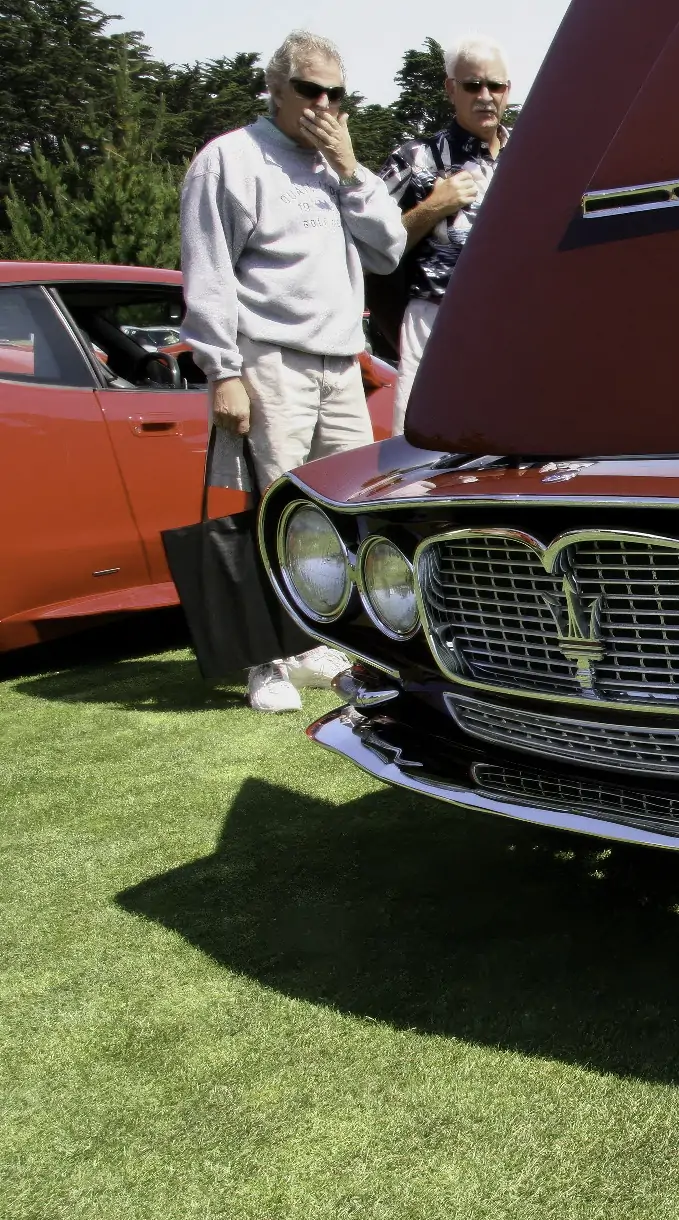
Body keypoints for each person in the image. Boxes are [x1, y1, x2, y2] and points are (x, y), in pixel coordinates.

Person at [179, 30, 408, 712]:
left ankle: (317, 645)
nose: (324, 106)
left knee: (341, 513)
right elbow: (208, 272)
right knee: (272, 510)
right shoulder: (229, 160)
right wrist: (223, 369)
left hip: (341, 361)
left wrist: (352, 169)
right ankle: (265, 661)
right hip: (268, 359)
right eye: (310, 91)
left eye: (337, 94)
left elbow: (390, 250)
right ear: (275, 90)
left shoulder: (333, 168)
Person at [381, 36, 512, 430]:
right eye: (473, 85)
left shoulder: (532, 156)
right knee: (421, 452)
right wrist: (434, 207)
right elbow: (370, 246)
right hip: (436, 318)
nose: (485, 96)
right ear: (451, 89)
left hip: (513, 323)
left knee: (513, 452)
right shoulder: (414, 159)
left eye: (496, 86)